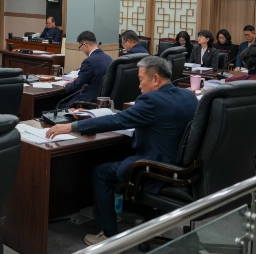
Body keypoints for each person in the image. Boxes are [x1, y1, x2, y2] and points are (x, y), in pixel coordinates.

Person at [47, 56, 197, 245]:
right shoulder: (188, 96)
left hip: (156, 168)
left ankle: (108, 235)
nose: (139, 86)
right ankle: (147, 215)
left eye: (141, 79)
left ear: (155, 79)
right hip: (183, 165)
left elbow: (117, 120)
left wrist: (72, 126)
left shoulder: (151, 100)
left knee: (101, 172)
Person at [61, 31, 113, 107]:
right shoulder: (109, 58)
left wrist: (67, 85)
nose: (81, 50)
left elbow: (77, 85)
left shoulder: (89, 61)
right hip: (102, 102)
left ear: (85, 45)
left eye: (80, 47)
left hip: (86, 103)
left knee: (53, 106)